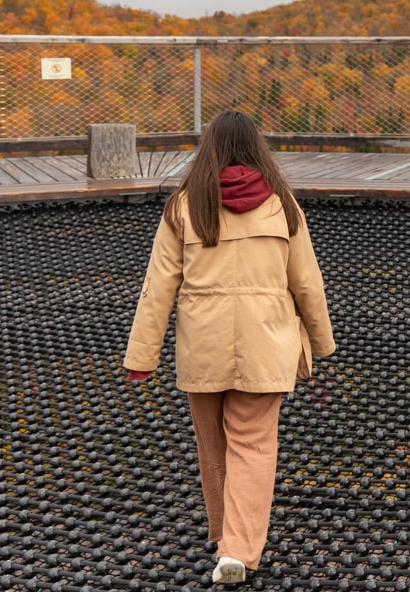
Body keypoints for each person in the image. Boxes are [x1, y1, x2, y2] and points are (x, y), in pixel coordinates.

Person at [123, 110, 335, 584]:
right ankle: (236, 548)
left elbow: (158, 286)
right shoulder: (282, 205)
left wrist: (142, 357)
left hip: (204, 344)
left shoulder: (184, 205)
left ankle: (225, 540)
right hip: (266, 343)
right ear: (257, 149)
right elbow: (307, 283)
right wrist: (321, 343)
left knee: (212, 445)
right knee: (254, 445)